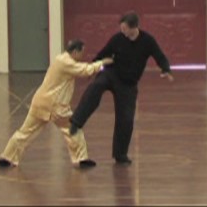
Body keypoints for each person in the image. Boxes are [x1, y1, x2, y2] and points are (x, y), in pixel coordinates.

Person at [69, 11, 174, 165]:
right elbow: (102, 54)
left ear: (134, 28)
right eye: (121, 28)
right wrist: (91, 68)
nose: (122, 31)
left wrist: (166, 70)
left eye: (125, 28)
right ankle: (76, 122)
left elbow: (159, 56)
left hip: (128, 84)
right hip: (112, 74)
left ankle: (120, 154)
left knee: (126, 119)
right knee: (95, 87)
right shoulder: (117, 39)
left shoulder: (147, 41)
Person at [0, 40, 113, 168]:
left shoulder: (59, 59)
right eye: (81, 52)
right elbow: (85, 70)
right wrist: (102, 63)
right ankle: (81, 158)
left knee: (25, 132)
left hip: (39, 102)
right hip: (56, 106)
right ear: (75, 51)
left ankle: (7, 157)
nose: (82, 56)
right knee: (73, 129)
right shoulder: (67, 63)